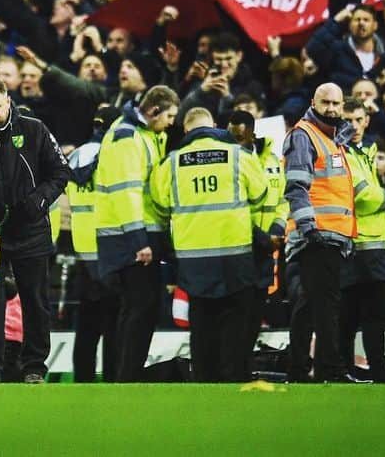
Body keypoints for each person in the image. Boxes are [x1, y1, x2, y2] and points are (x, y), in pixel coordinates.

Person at [0, 77, 69, 382]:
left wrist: (39, 200)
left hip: (31, 230)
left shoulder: (34, 130)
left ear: (7, 101)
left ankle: (33, 367)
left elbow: (60, 172)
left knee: (35, 301)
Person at [150, 107, 267, 381]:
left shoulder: (171, 163)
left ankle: (204, 382)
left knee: (202, 326)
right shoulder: (239, 155)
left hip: (194, 260)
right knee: (237, 325)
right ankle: (235, 379)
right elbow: (260, 195)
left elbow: (159, 206)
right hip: (235, 254)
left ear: (186, 130)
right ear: (214, 125)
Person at [95, 85, 179, 382]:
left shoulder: (144, 134)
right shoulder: (127, 137)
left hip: (135, 233)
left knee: (138, 309)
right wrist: (139, 240)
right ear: (154, 111)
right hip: (129, 237)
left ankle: (125, 376)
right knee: (138, 310)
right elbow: (125, 191)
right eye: (169, 115)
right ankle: (126, 378)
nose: (171, 122)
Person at [283, 83, 363, 383]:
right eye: (325, 103)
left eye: (336, 104)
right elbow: (296, 187)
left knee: (308, 305)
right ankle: (331, 369)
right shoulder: (305, 136)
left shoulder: (330, 139)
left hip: (329, 234)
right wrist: (309, 228)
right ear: (313, 102)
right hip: (318, 234)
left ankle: (299, 369)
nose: (331, 109)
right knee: (327, 305)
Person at [340, 98, 385, 383]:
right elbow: (363, 197)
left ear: (366, 121)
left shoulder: (364, 152)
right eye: (347, 120)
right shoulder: (343, 154)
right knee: (360, 315)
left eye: (358, 119)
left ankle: (359, 368)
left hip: (372, 243)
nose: (353, 126)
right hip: (359, 243)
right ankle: (367, 369)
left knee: (365, 315)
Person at [225, 110, 287, 368]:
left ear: (252, 132)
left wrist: (277, 228)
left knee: (254, 312)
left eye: (240, 136)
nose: (236, 140)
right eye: (232, 136)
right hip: (237, 245)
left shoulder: (272, 160)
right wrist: (259, 236)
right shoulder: (225, 160)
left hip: (266, 246)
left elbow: (283, 199)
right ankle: (230, 369)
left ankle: (241, 366)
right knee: (235, 313)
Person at [66, 105, 122, 382]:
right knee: (112, 326)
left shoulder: (76, 155)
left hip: (83, 252)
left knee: (86, 328)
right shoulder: (111, 156)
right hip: (108, 250)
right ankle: (112, 379)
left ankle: (82, 381)